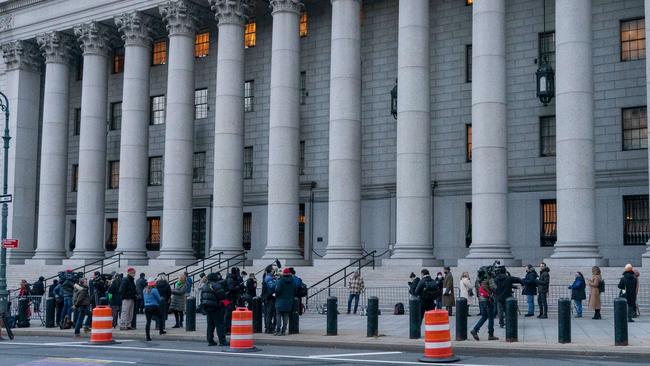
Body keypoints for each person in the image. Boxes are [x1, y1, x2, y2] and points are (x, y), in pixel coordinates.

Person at [470, 266, 498, 341]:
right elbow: (493, 288)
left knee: (484, 316)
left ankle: (475, 330)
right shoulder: (489, 278)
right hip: (488, 300)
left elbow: (477, 290)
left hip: (481, 300)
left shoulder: (477, 279)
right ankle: (491, 335)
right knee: (491, 317)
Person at [201, 272, 228, 346]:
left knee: (210, 325)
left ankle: (210, 340)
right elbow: (223, 297)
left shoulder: (205, 286)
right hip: (216, 307)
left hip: (207, 308)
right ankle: (222, 341)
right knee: (219, 324)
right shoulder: (217, 286)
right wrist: (226, 305)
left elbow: (202, 298)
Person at [274, 267, 296, 336]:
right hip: (289, 302)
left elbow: (277, 290)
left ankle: (278, 331)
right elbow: (295, 290)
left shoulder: (281, 280)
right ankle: (283, 331)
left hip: (280, 301)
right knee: (286, 317)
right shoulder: (293, 281)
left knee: (278, 316)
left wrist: (276, 295)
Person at [225, 267, 244, 332]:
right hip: (228, 298)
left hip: (230, 298)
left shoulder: (231, 278)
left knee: (230, 312)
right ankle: (227, 328)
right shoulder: (230, 279)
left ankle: (229, 327)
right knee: (228, 313)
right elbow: (231, 288)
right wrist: (238, 287)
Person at [262, 265, 277, 334]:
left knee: (268, 314)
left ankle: (268, 327)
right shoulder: (269, 278)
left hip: (267, 298)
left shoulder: (268, 277)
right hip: (269, 298)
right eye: (273, 269)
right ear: (271, 270)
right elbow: (271, 288)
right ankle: (268, 328)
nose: (274, 271)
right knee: (269, 314)